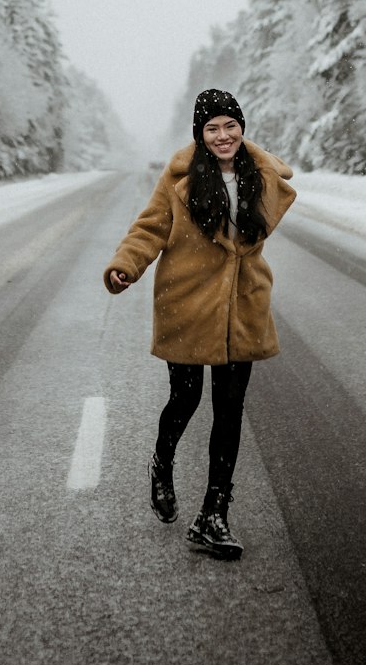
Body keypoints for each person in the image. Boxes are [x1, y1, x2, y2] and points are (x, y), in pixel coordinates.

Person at [103, 88, 296, 559]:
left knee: (230, 411)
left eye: (231, 125)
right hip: (187, 303)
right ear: (199, 134)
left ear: (242, 128)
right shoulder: (180, 180)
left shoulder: (262, 176)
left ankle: (214, 515)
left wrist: (257, 156)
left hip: (241, 306)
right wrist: (126, 264)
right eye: (212, 128)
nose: (223, 135)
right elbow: (149, 227)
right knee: (185, 398)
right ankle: (162, 462)